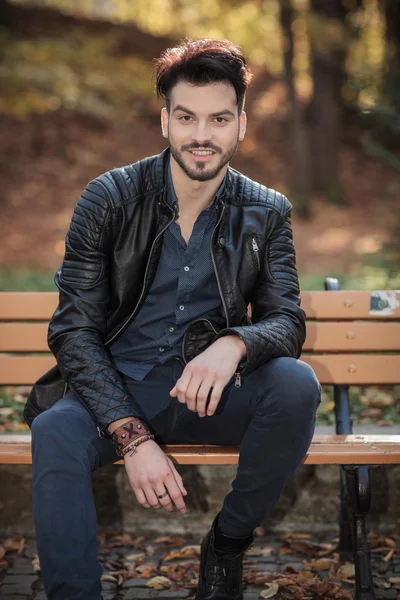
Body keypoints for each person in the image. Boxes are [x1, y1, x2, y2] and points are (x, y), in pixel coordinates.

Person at [25, 38, 321, 600]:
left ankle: (228, 543)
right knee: (53, 431)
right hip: (116, 387)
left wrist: (234, 344)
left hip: (206, 393)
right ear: (164, 121)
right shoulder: (108, 198)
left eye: (218, 119)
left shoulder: (267, 210)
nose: (201, 136)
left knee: (294, 384)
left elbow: (286, 321)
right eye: (186, 117)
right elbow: (73, 329)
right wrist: (132, 436)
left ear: (241, 125)